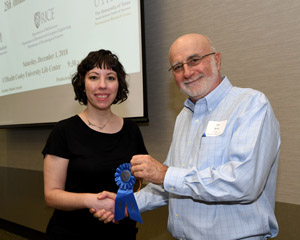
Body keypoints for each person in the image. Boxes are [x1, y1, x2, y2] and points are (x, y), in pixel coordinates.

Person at [92, 34, 281, 240]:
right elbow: (172, 184)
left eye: (194, 60)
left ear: (216, 59)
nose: (187, 72)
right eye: (177, 67)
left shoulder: (250, 105)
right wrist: (127, 204)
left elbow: (244, 183)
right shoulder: (185, 116)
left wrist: (165, 174)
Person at [42, 49, 147, 240]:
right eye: (93, 77)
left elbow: (139, 181)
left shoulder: (132, 130)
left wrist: (122, 204)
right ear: (82, 84)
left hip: (122, 231)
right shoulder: (63, 131)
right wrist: (95, 201)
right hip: (71, 233)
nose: (102, 85)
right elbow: (51, 195)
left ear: (119, 85)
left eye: (110, 78)